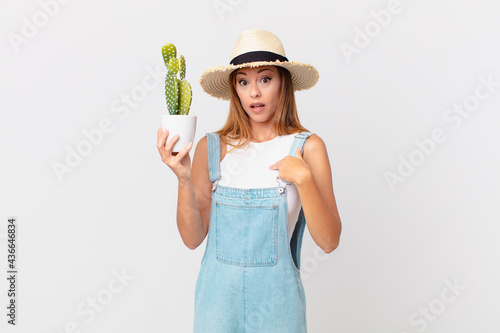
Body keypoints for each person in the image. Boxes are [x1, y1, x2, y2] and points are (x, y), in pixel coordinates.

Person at [157, 29, 341, 332]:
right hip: (216, 310)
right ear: (235, 89)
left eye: (265, 79)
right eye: (244, 82)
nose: (254, 93)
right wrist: (183, 179)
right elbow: (192, 240)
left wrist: (304, 179)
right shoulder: (211, 147)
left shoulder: (308, 147)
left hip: (279, 311)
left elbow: (329, 241)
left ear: (283, 83)